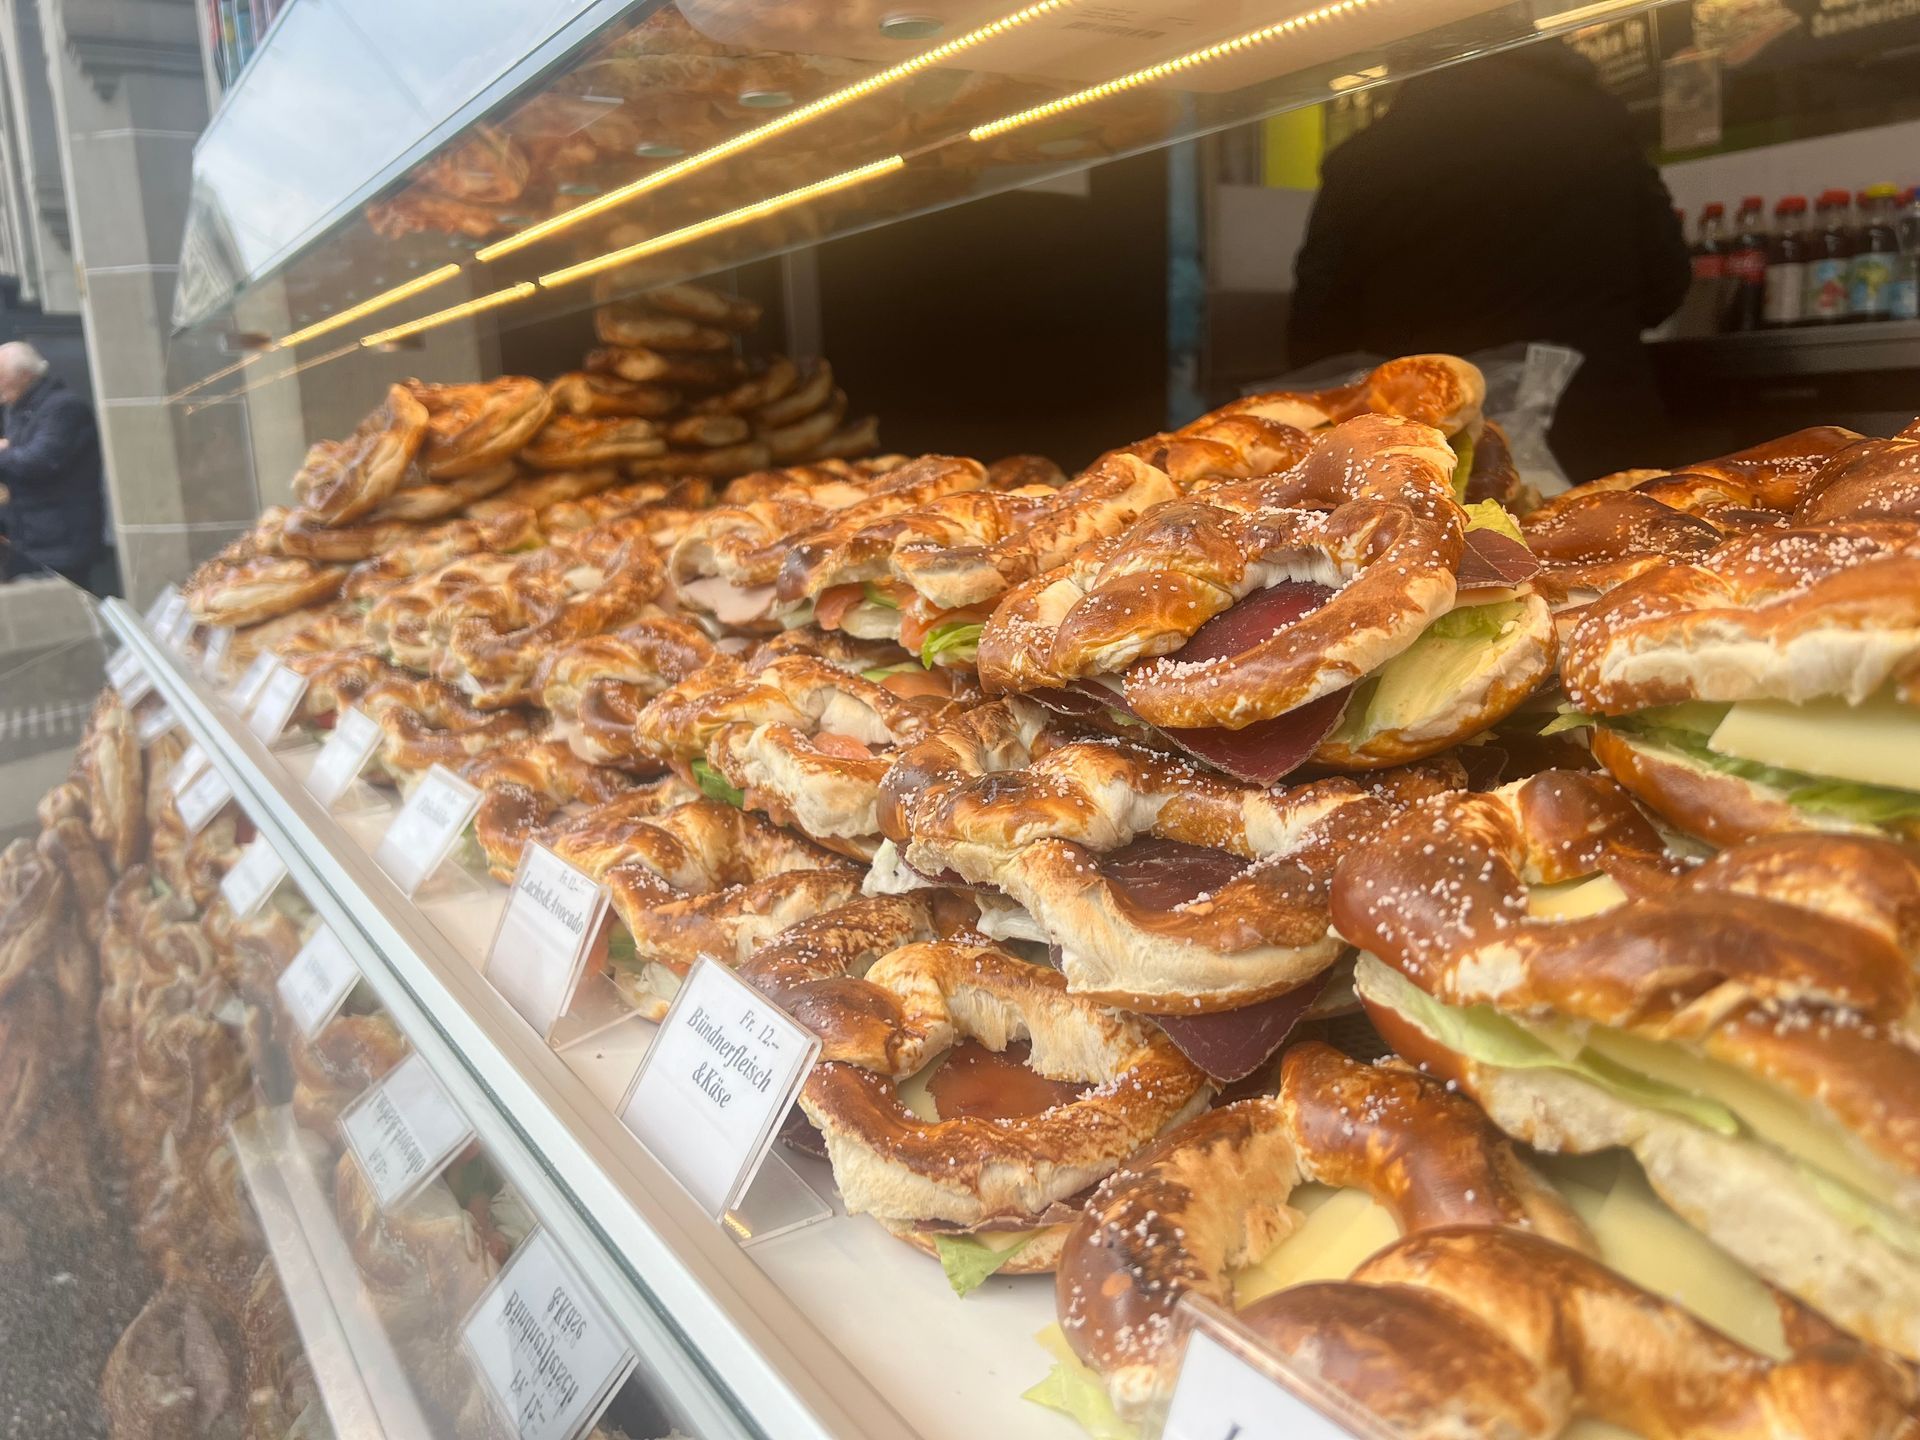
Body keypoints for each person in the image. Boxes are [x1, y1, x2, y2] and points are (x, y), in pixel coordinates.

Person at [1287, 41, 1692, 481]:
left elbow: (1315, 339)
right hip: (1599, 434)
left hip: (1436, 460)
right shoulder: (1598, 122)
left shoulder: (1365, 160)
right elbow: (1667, 282)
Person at [0, 340, 107, 587]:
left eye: (2, 378)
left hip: (62, 538)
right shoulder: (18, 407)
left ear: (25, 375)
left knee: (68, 608)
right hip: (28, 535)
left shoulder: (64, 408)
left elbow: (39, 461)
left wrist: (6, 450)